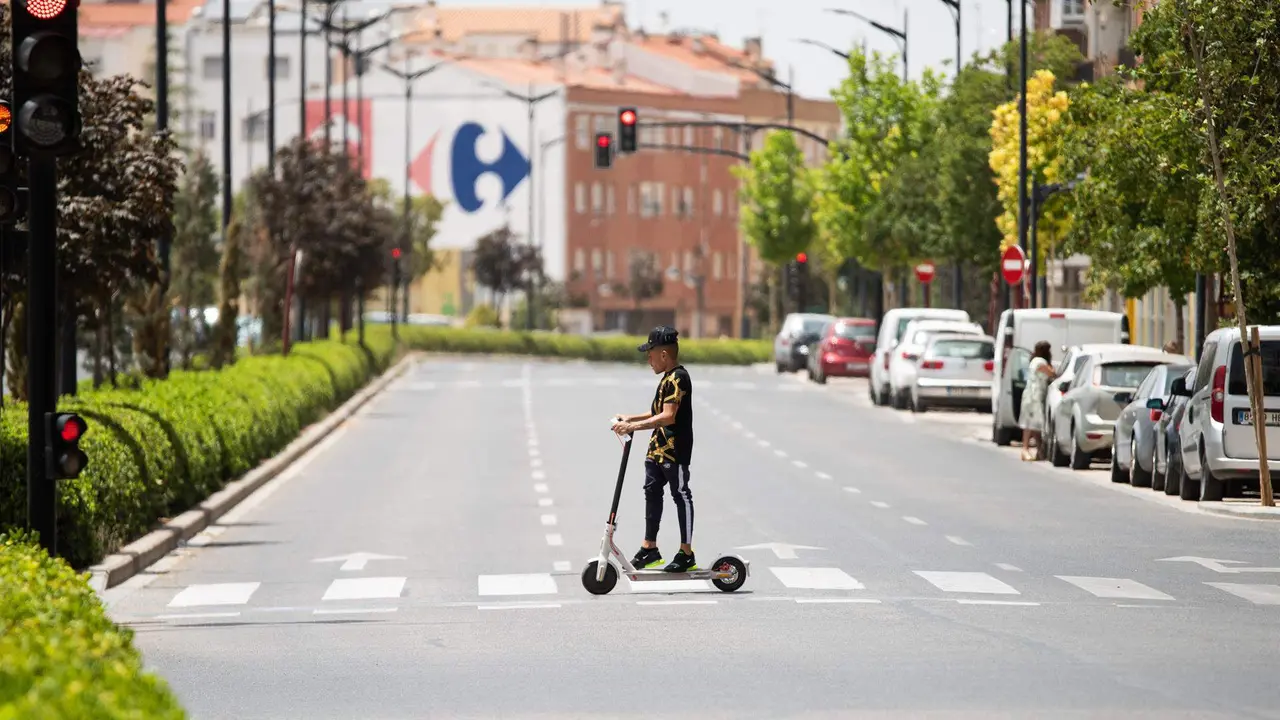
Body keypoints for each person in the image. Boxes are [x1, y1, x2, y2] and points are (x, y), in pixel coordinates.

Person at [611, 326, 696, 573]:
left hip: (674, 451)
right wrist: (629, 418)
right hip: (657, 450)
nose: (648, 359)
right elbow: (656, 412)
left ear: (664, 354)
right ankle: (650, 548)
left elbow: (668, 416)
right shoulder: (665, 380)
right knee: (651, 492)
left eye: (650, 353)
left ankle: (686, 553)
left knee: (681, 496)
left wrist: (633, 426)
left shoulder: (679, 377)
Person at [1020, 341, 1057, 461]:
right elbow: (1052, 373)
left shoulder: (1035, 360)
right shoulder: (1040, 362)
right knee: (1029, 424)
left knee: (1036, 424)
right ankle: (1025, 449)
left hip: (1035, 396)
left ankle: (1039, 450)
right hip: (1033, 397)